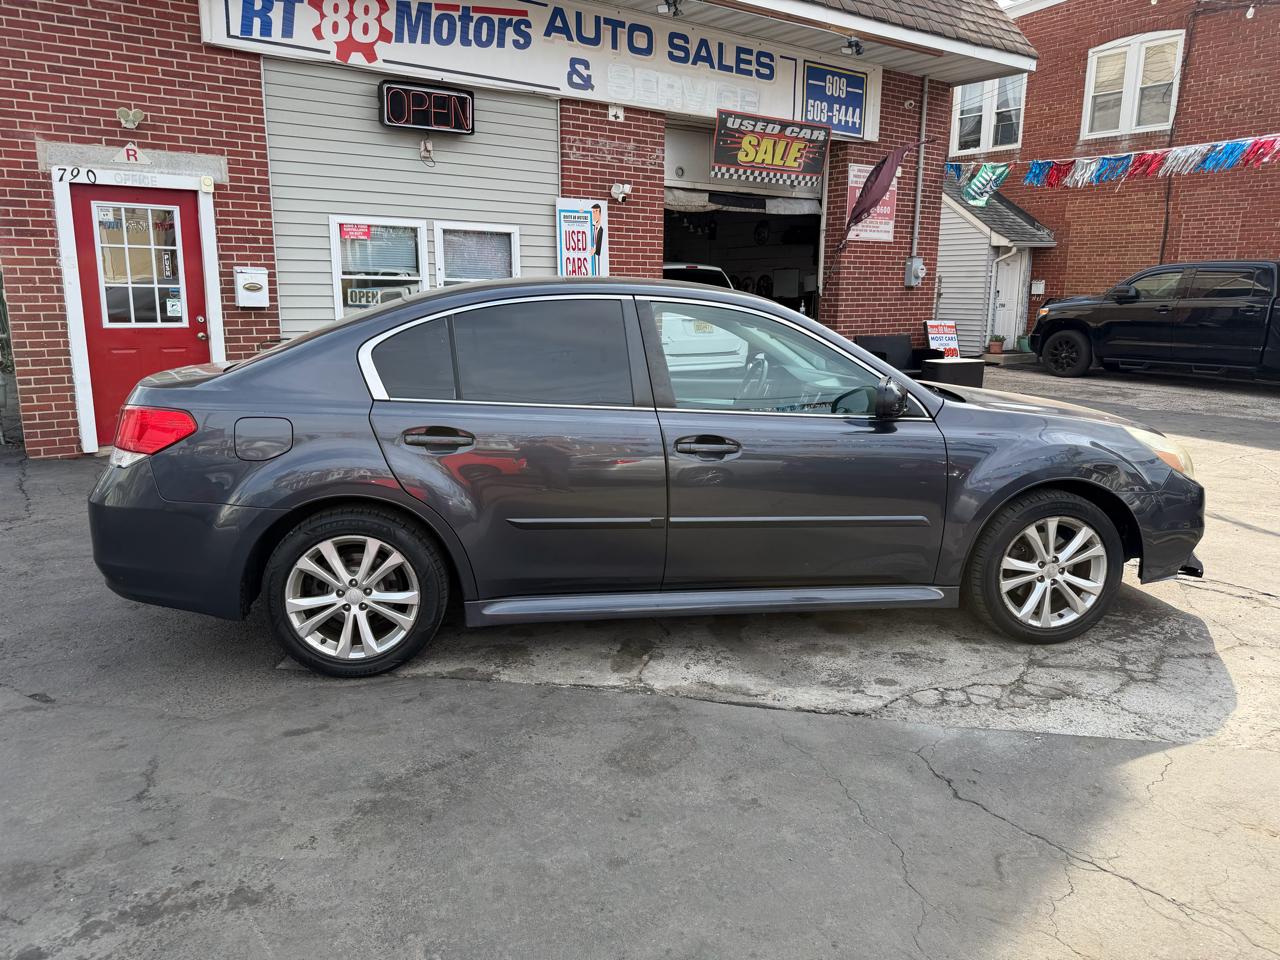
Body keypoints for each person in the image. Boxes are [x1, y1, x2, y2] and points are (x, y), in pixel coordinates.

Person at [590, 203, 605, 276]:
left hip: (598, 264)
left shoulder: (601, 230)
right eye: (593, 212)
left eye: (596, 212)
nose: (594, 214)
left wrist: (595, 250)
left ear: (600, 214)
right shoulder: (592, 229)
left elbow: (599, 249)